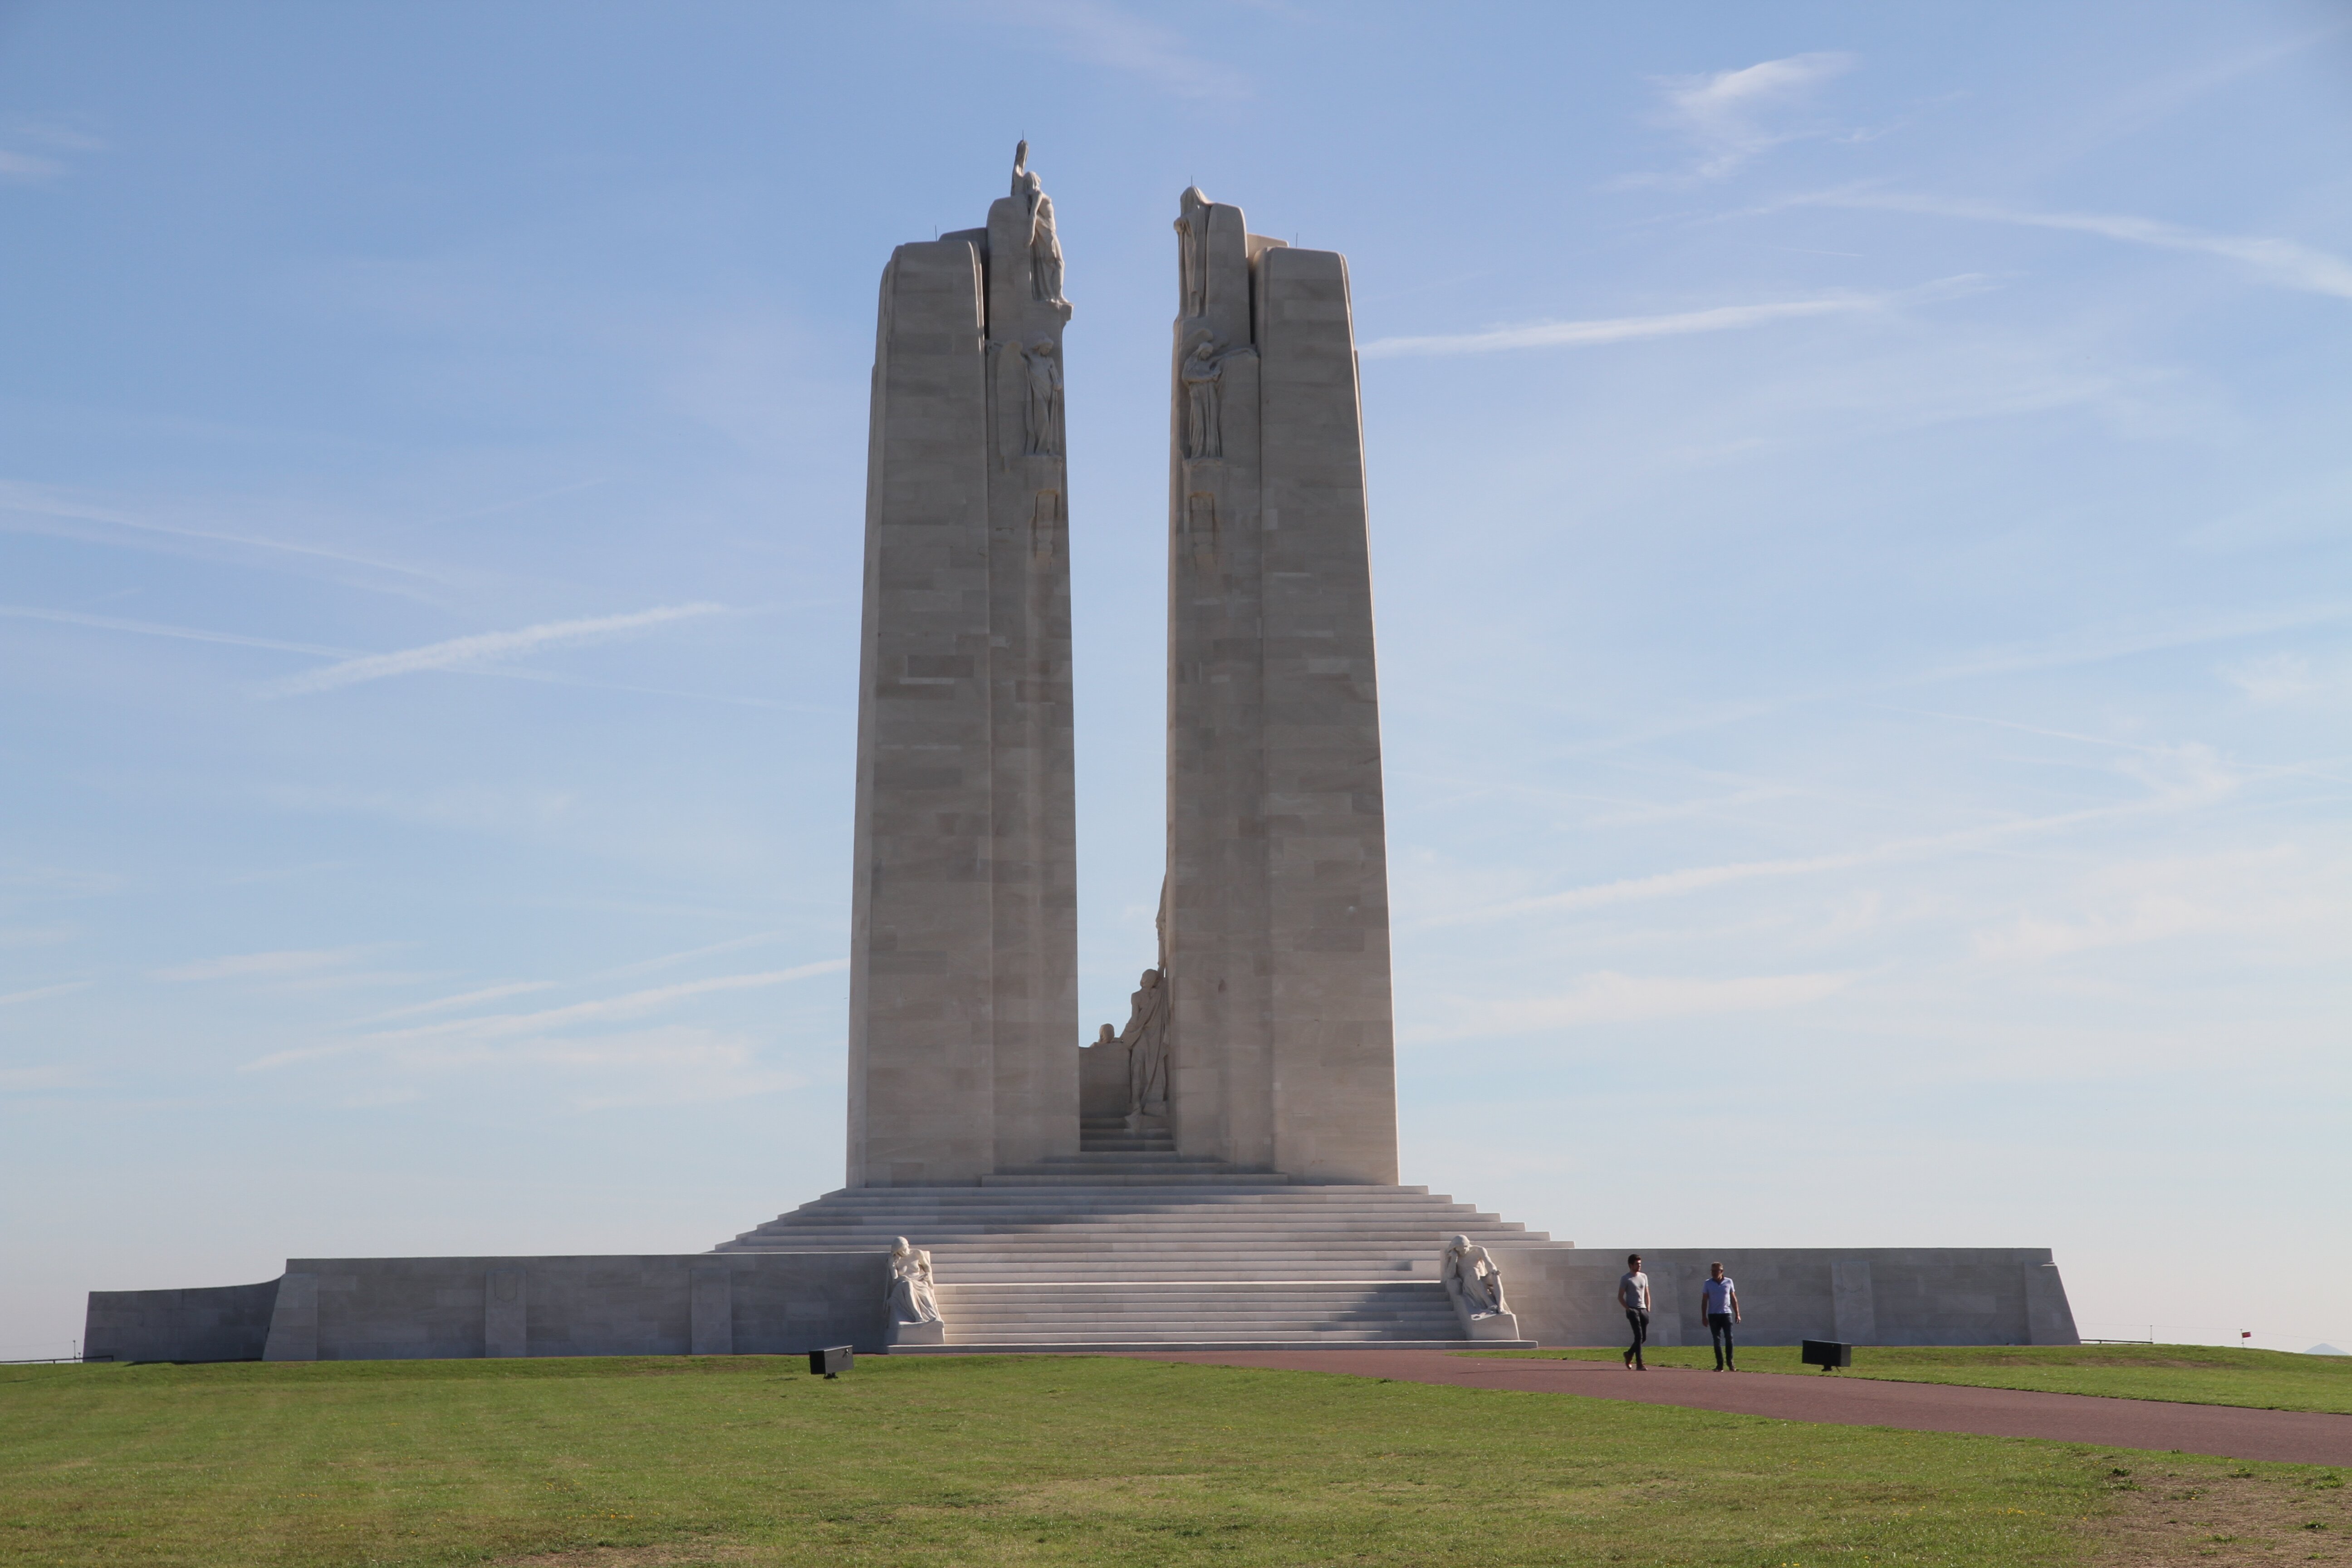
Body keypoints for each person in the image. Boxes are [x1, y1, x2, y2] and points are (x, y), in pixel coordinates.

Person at [1700, 1261, 1740, 1371]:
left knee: (1729, 1337)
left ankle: (1730, 1362)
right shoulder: (1708, 1283)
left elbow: (1733, 1298)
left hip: (1726, 1313)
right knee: (1717, 1340)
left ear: (1721, 1271)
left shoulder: (1729, 1282)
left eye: (1716, 1271)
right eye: (1712, 1271)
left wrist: (1737, 1313)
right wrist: (1704, 1316)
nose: (1713, 1273)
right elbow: (1705, 1300)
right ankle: (1720, 1364)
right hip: (1713, 1314)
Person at [1617, 1253, 1651, 1370]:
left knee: (1644, 1338)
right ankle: (1640, 1363)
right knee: (1639, 1336)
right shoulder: (1626, 1278)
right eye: (1637, 1264)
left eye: (1640, 1264)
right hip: (1633, 1309)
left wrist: (1648, 1307)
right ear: (1631, 1265)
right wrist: (1628, 1309)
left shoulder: (1644, 1277)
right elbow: (1620, 1296)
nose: (1639, 1266)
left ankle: (1629, 1354)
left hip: (1643, 1309)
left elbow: (1647, 1293)